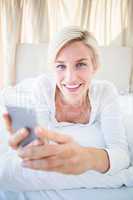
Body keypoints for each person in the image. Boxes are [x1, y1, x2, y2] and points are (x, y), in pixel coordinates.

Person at [0, 26, 130, 199]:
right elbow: (42, 145)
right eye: (61, 66)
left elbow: (121, 154)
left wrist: (88, 158)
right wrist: (32, 147)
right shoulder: (43, 87)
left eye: (81, 64)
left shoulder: (106, 92)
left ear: (95, 66)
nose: (70, 77)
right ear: (52, 68)